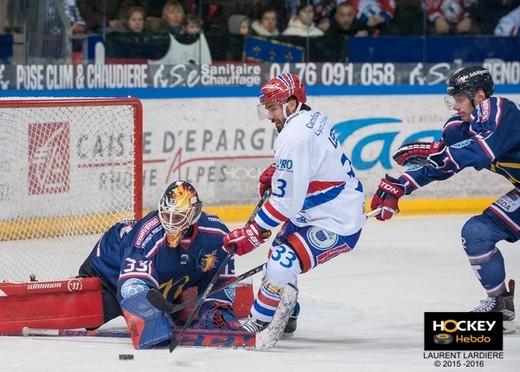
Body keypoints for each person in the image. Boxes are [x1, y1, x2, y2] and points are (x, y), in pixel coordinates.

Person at [370, 66, 519, 330]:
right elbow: (443, 165)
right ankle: (499, 305)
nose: (456, 105)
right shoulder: (458, 128)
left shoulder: (499, 110)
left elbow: (482, 152)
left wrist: (435, 153)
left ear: (480, 96)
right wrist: (401, 185)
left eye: (461, 98)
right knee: (477, 233)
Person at [222, 73, 366, 333]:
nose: (269, 116)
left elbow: (286, 203)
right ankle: (287, 312)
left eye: (273, 108)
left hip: (336, 221)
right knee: (280, 250)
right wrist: (280, 172)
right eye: (266, 109)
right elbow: (311, 166)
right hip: (320, 208)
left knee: (281, 262)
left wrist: (254, 231)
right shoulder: (313, 118)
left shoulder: (293, 137)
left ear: (291, 103)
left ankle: (258, 324)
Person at [78, 180, 240, 348]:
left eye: (177, 217)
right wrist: (150, 312)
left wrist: (216, 307)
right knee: (89, 317)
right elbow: (130, 286)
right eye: (166, 214)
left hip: (161, 278)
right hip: (107, 274)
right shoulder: (147, 237)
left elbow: (220, 277)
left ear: (194, 214)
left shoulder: (216, 234)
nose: (170, 222)